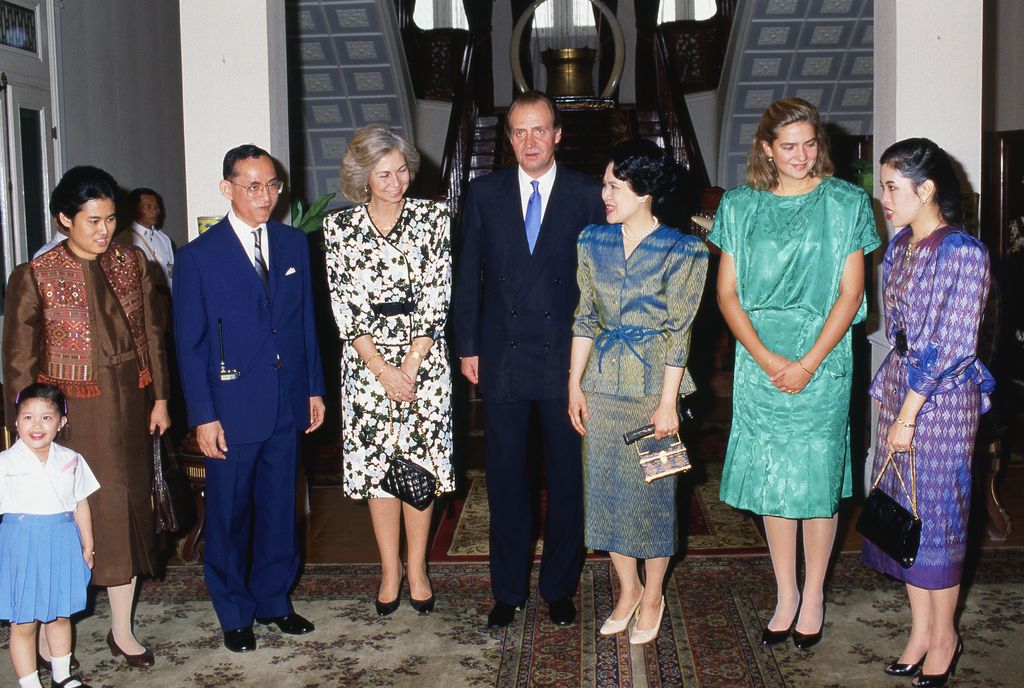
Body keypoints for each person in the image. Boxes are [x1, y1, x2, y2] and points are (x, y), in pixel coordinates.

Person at [709, 97, 879, 649]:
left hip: (824, 362)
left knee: (815, 481)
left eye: (810, 144)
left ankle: (815, 595)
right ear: (766, 150)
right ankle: (785, 591)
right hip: (759, 361)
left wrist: (807, 362)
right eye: (789, 146)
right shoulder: (738, 206)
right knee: (773, 483)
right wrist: (764, 357)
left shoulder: (848, 202)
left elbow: (853, 293)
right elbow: (727, 294)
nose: (802, 155)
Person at [3, 166, 171, 670]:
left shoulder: (134, 263)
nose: (104, 230)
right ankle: (45, 646)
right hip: (70, 417)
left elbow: (156, 337)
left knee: (124, 513)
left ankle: (122, 631)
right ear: (64, 220)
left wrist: (161, 398)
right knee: (64, 523)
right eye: (93, 220)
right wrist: (30, 428)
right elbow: (17, 360)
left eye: (110, 219)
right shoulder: (34, 275)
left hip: (131, 404)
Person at [452, 90, 606, 628]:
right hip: (502, 358)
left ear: (558, 134)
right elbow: (467, 274)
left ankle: (559, 587)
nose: (529, 141)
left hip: (568, 363)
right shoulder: (484, 193)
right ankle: (508, 590)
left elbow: (601, 283)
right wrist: (467, 346)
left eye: (539, 130)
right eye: (519, 131)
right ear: (509, 138)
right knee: (507, 478)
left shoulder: (588, 194)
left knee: (567, 480)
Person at [172, 144, 325, 654]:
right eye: (253, 186)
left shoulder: (292, 243)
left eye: (273, 185)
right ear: (227, 188)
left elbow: (305, 324)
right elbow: (189, 344)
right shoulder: (198, 257)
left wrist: (314, 388)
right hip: (231, 408)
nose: (266, 196)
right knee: (230, 514)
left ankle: (275, 601)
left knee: (281, 508)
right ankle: (234, 611)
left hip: (286, 402)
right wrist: (203, 415)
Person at [862, 138, 993, 687]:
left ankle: (945, 638)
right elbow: (902, 334)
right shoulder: (900, 247)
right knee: (906, 518)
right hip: (900, 392)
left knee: (936, 520)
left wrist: (908, 415)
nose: (883, 197)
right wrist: (894, 406)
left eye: (892, 187)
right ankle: (920, 631)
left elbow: (950, 342)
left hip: (938, 405)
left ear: (927, 189)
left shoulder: (962, 252)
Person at [568, 140, 708, 644]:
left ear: (645, 190)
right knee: (604, 495)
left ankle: (653, 596)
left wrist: (668, 403)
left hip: (655, 388)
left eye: (614, 185)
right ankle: (626, 592)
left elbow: (680, 332)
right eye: (604, 183)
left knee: (654, 498)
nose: (604, 194)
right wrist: (573, 384)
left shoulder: (684, 249)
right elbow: (585, 316)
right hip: (602, 386)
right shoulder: (592, 241)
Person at [324, 125, 453, 616]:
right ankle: (388, 569)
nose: (397, 181)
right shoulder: (340, 228)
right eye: (385, 174)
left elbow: (437, 294)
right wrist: (381, 369)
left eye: (402, 171)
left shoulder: (433, 217)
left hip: (424, 360)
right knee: (380, 468)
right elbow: (345, 305)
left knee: (419, 466)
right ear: (362, 177)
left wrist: (411, 364)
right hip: (365, 366)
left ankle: (417, 568)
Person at [0, 384, 98, 688]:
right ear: (16, 422)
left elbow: (80, 503)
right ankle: (29, 683)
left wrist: (88, 546)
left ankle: (62, 675)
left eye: (46, 417)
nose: (37, 425)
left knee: (59, 615)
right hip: (21, 544)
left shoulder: (71, 460)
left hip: (62, 540)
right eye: (28, 417)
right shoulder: (5, 463)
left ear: (61, 422)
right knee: (24, 621)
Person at [116, 188, 175, 292]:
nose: (155, 211)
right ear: (135, 209)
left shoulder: (164, 239)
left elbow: (171, 273)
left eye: (157, 206)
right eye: (148, 206)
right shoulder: (124, 240)